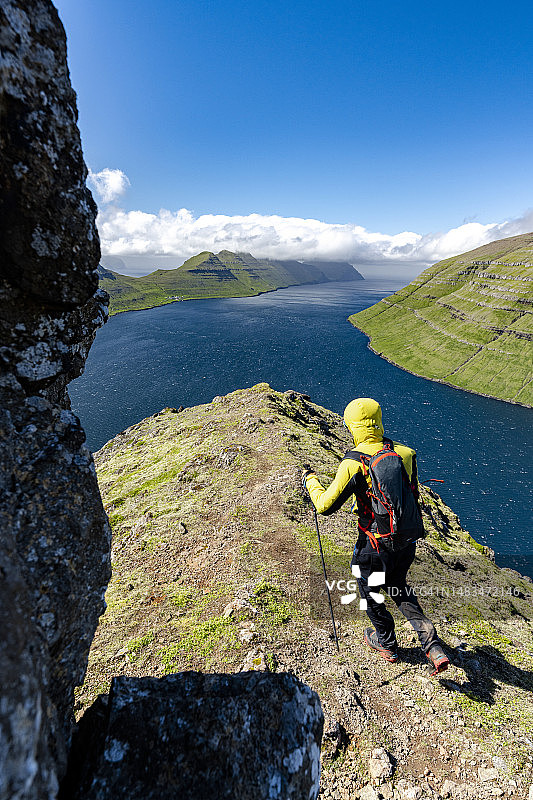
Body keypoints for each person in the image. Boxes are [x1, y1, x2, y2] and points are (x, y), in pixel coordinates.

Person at [302, 397, 449, 675]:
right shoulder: (405, 453)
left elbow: (325, 506)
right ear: (379, 420)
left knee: (370, 594)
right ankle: (432, 645)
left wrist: (310, 480)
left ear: (352, 426)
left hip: (373, 545)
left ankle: (387, 643)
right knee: (398, 585)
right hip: (405, 542)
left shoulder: (353, 463)